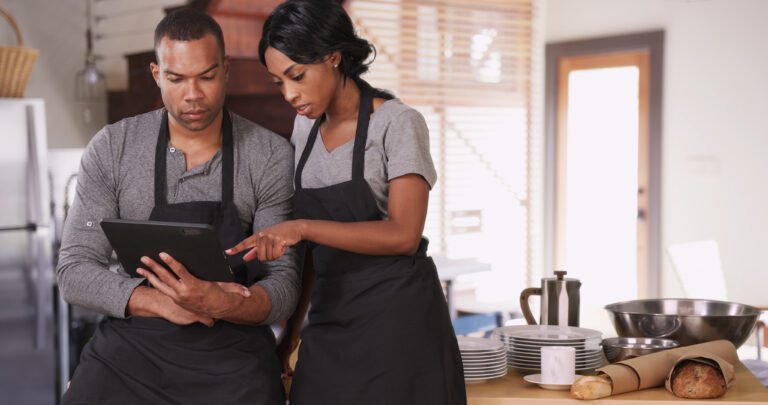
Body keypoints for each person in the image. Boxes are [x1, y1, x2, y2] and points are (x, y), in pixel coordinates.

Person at [226, 1, 466, 403]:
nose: (289, 94)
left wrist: (300, 228)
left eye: (297, 76)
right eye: (278, 82)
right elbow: (314, 255)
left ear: (334, 57)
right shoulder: (304, 129)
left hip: (398, 327)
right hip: (331, 320)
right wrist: (291, 333)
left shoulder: (397, 123)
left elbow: (403, 235)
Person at [56, 9, 299, 405]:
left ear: (225, 70)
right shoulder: (113, 147)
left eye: (206, 76)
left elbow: (284, 285)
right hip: (132, 350)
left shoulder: (269, 153)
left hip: (232, 357)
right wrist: (164, 302)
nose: (193, 95)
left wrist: (222, 302)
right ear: (156, 74)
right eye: (176, 79)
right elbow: (74, 271)